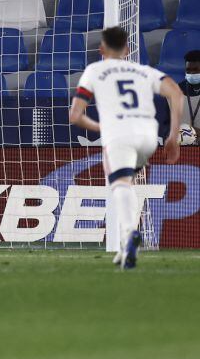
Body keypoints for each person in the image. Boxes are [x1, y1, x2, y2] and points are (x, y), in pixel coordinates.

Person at [69, 26, 183, 270]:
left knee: (119, 184)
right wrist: (173, 136)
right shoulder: (142, 71)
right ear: (127, 49)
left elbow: (75, 115)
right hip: (148, 136)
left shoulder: (95, 70)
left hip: (119, 134)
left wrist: (102, 127)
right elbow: (176, 94)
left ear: (101, 49)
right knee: (128, 180)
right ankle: (125, 247)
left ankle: (130, 234)